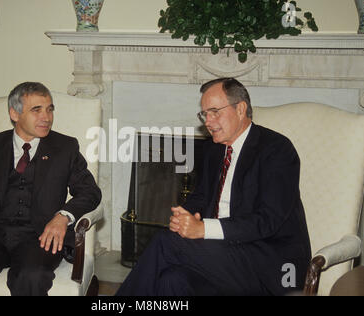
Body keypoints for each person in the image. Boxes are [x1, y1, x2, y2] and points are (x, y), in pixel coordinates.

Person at [116, 78, 311, 296]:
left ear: (240, 109)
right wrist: (185, 216)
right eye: (204, 114)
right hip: (224, 255)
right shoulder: (213, 150)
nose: (208, 121)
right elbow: (201, 196)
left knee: (165, 243)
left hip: (273, 264)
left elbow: (267, 221)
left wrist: (203, 229)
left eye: (214, 112)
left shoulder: (276, 150)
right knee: (172, 280)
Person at [0, 82, 101, 296]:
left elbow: (90, 192)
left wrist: (63, 217)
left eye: (49, 109)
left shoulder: (65, 148)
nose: (46, 117)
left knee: (30, 277)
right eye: (36, 110)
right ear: (14, 113)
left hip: (40, 237)